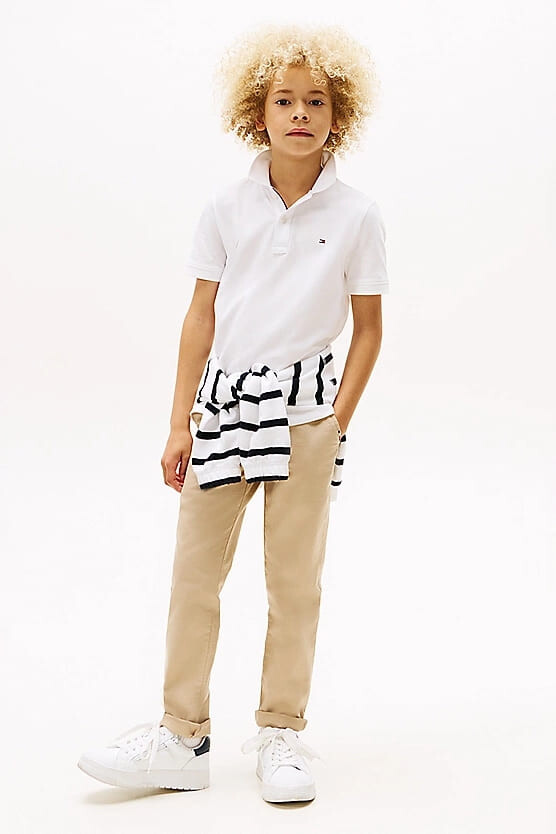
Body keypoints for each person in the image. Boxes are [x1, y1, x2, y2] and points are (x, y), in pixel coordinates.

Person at [77, 21, 389, 804]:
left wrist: (335, 422)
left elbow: (369, 328)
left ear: (338, 116)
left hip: (306, 417)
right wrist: (178, 421)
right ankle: (181, 736)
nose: (299, 113)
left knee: (294, 584)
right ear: (258, 112)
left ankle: (281, 731)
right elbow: (200, 316)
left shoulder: (357, 216)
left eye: (315, 100)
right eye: (284, 99)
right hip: (224, 411)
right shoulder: (225, 206)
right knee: (194, 576)